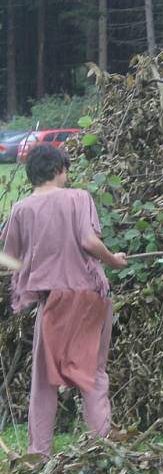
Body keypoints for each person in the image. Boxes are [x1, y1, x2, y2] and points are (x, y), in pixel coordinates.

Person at [0, 145, 127, 457]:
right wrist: (113, 260)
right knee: (93, 373)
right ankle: (104, 446)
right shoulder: (78, 198)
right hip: (88, 299)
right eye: (66, 170)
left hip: (52, 303)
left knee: (44, 381)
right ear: (58, 169)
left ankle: (38, 452)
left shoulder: (21, 210)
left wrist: (31, 270)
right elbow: (87, 240)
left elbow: (10, 259)